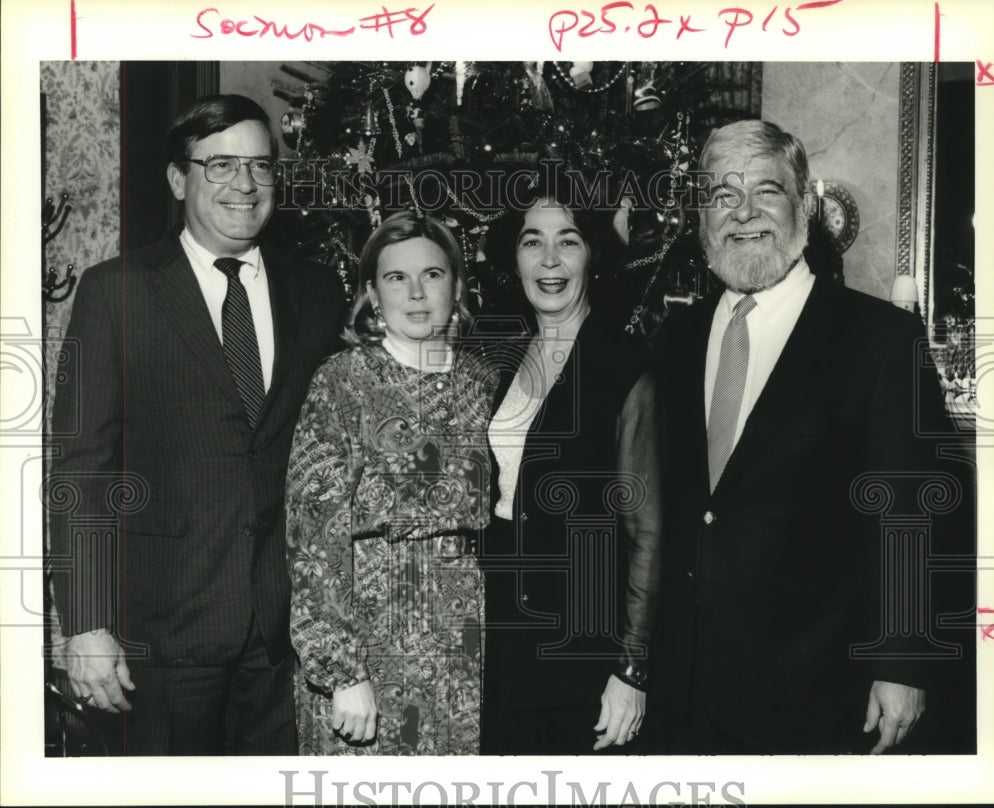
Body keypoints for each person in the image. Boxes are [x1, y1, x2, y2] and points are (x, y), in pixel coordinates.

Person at [48, 94, 345, 755]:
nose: (245, 185)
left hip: (284, 639)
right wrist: (88, 624)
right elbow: (81, 471)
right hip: (161, 638)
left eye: (261, 167)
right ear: (179, 179)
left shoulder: (320, 292)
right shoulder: (116, 292)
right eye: (222, 166)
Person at [647, 119, 950, 754]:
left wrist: (901, 662)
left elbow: (912, 513)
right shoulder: (674, 340)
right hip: (686, 687)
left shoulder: (878, 341)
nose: (745, 213)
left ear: (804, 208)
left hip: (818, 686)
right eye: (723, 195)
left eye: (767, 191)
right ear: (702, 218)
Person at [285, 211, 496, 755]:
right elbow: (313, 538)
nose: (417, 291)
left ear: (456, 286)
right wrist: (341, 669)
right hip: (368, 637)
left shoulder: (485, 381)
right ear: (373, 296)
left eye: (433, 274)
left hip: (460, 638)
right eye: (396, 277)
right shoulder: (342, 381)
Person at [479, 188, 660, 755]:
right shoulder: (504, 353)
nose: (549, 260)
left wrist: (631, 669)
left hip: (582, 639)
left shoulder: (626, 364)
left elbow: (648, 532)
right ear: (515, 260)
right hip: (500, 627)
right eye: (533, 242)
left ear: (593, 258)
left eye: (568, 242)